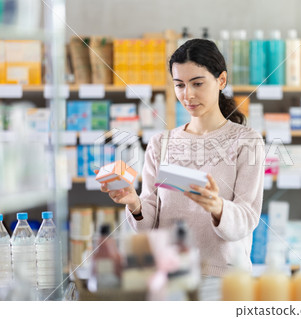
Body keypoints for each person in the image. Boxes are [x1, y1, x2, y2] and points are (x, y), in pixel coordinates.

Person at [101, 39, 265, 278]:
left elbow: (247, 218)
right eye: (180, 85)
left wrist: (217, 207)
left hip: (222, 279)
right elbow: (148, 225)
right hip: (169, 276)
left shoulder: (246, 141)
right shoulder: (161, 143)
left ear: (221, 80)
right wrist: (134, 203)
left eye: (197, 83)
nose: (188, 95)